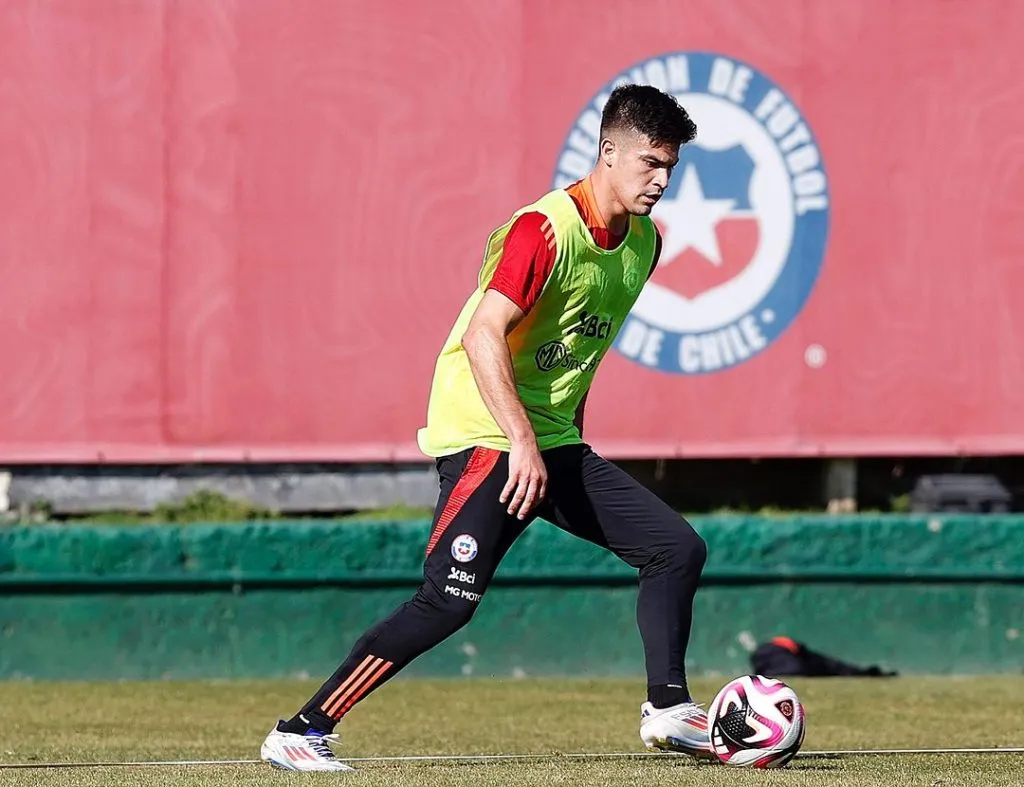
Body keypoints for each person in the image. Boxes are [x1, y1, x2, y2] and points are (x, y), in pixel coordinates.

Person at [260, 84, 709, 772]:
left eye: (671, 167)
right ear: (608, 151)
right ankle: (300, 728)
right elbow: (481, 335)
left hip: (550, 441)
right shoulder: (544, 229)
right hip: (485, 434)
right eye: (650, 162)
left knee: (676, 547)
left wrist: (559, 442)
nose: (661, 180)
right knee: (449, 599)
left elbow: (576, 356)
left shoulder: (643, 244)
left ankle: (669, 708)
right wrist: (522, 443)